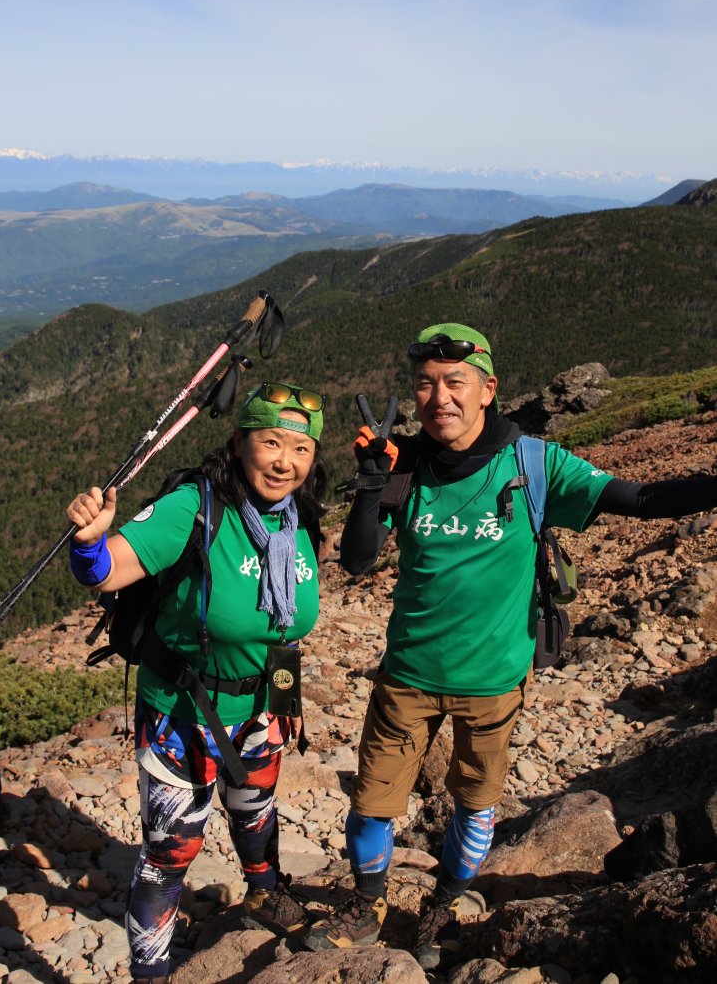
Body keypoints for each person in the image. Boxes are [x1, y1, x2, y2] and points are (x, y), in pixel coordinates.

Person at [304, 322, 717, 970]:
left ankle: (450, 895)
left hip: (494, 679)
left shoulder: (533, 463)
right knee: (373, 802)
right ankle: (368, 902)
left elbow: (638, 499)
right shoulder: (404, 462)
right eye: (425, 384)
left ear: (488, 389)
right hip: (406, 674)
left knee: (475, 798)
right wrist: (366, 481)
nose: (438, 396)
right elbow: (357, 559)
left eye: (455, 383)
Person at [66, 382, 327, 983]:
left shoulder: (295, 519)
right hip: (182, 712)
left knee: (255, 808)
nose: (285, 462)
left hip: (262, 704)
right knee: (169, 855)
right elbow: (108, 572)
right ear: (238, 443)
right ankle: (150, 973)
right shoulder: (196, 507)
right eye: (270, 443)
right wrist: (88, 543)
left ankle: (263, 891)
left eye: (301, 449)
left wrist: (283, 697)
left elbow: (284, 627)